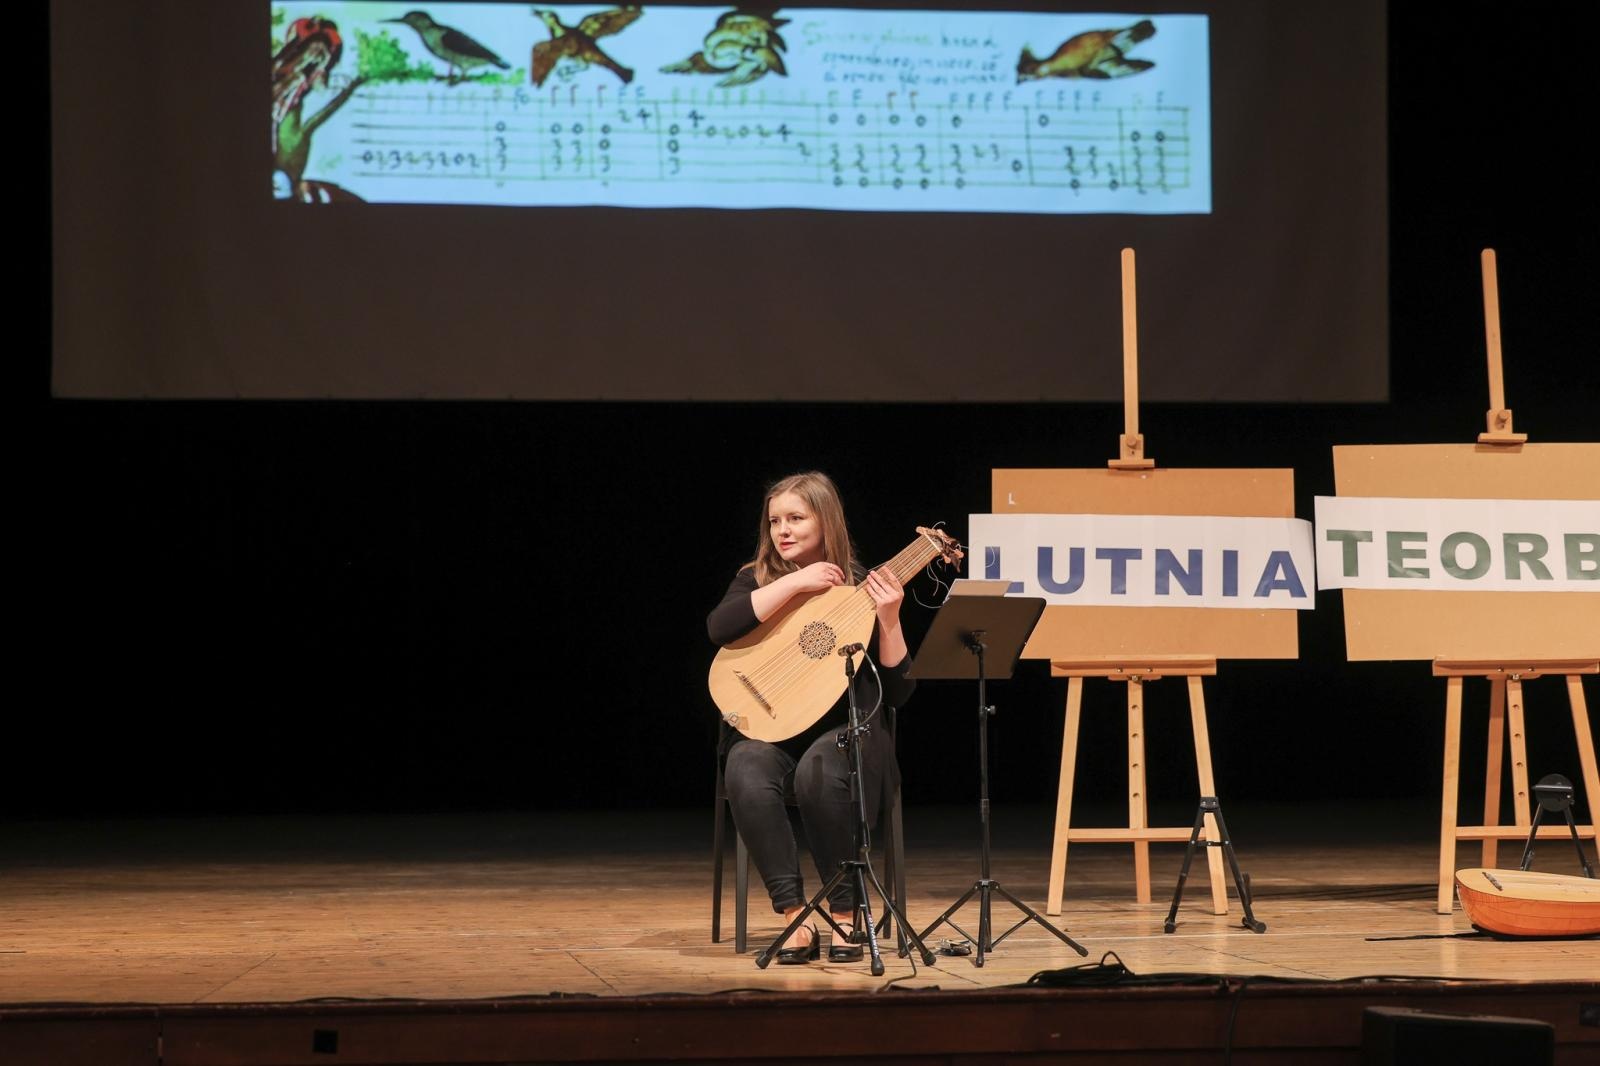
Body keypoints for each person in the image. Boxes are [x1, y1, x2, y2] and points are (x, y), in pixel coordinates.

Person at [706, 471, 915, 964]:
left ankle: (846, 916)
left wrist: (889, 619)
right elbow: (720, 627)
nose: (783, 529)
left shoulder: (864, 588)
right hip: (772, 731)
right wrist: (797, 581)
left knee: (818, 771)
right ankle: (794, 916)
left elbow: (900, 692)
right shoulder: (753, 579)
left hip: (849, 734)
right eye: (775, 520)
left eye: (797, 518)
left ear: (827, 520)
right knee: (745, 766)